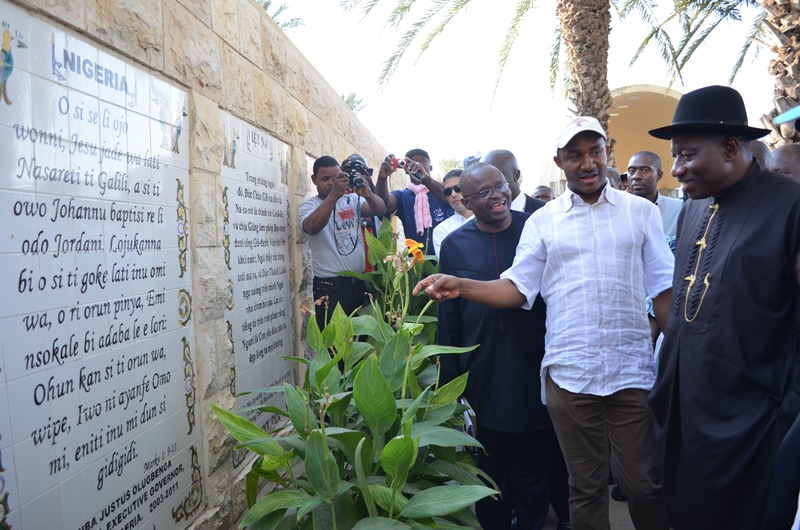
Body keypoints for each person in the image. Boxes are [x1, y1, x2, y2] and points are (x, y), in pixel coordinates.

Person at [415, 116, 674, 530]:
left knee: (642, 484)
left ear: (607, 152)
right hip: (569, 375)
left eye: (595, 152)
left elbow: (663, 289)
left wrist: (681, 353)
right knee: (584, 488)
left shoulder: (640, 213)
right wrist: (460, 285)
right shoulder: (543, 220)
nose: (587, 163)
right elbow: (517, 289)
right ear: (559, 162)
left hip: (631, 371)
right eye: (575, 155)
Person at [647, 85, 800, 530]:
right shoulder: (694, 208)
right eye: (674, 156)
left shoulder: (790, 205)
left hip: (750, 429)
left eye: (687, 155)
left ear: (731, 148)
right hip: (685, 416)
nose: (676, 169)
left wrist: (782, 415)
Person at [438, 162, 567, 530]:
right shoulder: (454, 244)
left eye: (501, 186)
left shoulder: (536, 228)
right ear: (465, 201)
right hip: (485, 368)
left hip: (536, 362)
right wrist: (451, 382)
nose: (497, 196)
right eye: (484, 192)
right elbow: (450, 318)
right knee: (491, 465)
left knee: (535, 462)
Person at [299, 155, 386, 329]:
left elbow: (380, 210)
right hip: (330, 288)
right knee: (334, 341)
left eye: (336, 178)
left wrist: (369, 194)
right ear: (314, 180)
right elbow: (312, 227)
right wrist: (333, 196)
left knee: (360, 339)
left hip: (358, 283)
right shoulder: (309, 207)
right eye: (325, 179)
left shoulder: (352, 200)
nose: (332, 183)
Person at [376, 149, 453, 254]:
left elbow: (449, 196)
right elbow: (384, 205)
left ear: (431, 167)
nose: (417, 163)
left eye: (422, 160)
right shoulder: (403, 196)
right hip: (416, 262)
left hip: (448, 257)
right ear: (405, 169)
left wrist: (425, 179)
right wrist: (382, 178)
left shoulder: (442, 189)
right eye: (412, 161)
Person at [627, 151, 682, 239]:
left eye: (644, 170)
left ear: (659, 176)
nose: (636, 176)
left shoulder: (679, 210)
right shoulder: (618, 211)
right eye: (631, 171)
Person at [482, 149, 546, 213]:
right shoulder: (481, 216)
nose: (489, 183)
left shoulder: (545, 212)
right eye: (484, 178)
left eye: (497, 176)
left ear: (516, 175)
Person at [432, 169, 473, 255]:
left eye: (458, 188)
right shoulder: (441, 230)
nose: (453, 194)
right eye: (447, 191)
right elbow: (448, 262)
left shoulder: (488, 218)